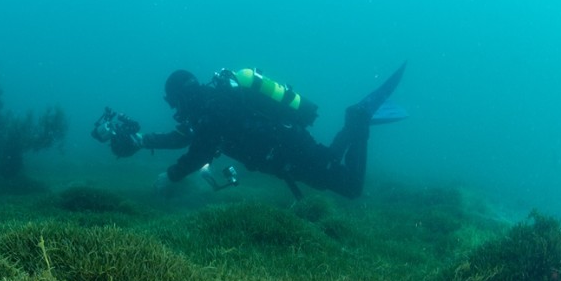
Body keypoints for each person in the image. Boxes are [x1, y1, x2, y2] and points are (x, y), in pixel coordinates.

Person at [93, 63, 407, 200]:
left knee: (350, 187)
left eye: (174, 102)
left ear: (179, 97)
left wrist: (171, 175)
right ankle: (356, 123)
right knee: (329, 162)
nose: (175, 109)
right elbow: (185, 136)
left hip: (287, 150)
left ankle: (359, 120)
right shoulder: (211, 103)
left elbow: (199, 149)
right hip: (286, 149)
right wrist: (141, 140)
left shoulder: (212, 108)